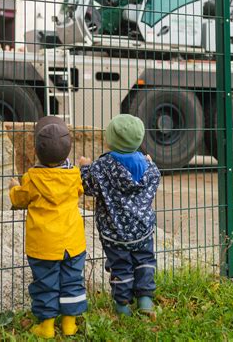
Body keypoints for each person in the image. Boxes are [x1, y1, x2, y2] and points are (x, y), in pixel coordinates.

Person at [9, 116, 87, 339]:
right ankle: (70, 324)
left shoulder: (32, 178)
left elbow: (19, 200)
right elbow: (79, 190)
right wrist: (81, 167)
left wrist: (14, 187)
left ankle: (46, 326)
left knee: (46, 284)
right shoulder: (73, 176)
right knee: (72, 281)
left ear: (36, 151)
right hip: (73, 243)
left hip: (43, 245)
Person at [78, 114, 160, 317]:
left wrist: (85, 167)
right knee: (144, 261)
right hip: (142, 229)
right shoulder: (148, 166)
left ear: (110, 140)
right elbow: (154, 179)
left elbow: (87, 185)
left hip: (114, 233)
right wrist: (149, 163)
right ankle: (145, 300)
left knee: (121, 266)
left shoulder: (102, 167)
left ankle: (123, 307)